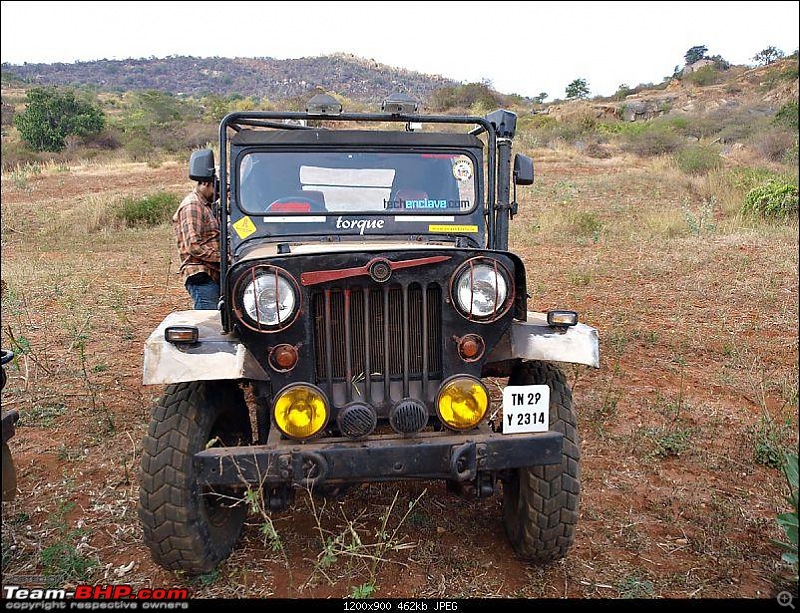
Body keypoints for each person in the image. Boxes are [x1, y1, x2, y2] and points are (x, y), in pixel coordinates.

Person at [172, 179, 220, 310]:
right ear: (205, 183)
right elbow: (193, 246)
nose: (220, 193)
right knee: (209, 318)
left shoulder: (208, 206)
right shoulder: (193, 205)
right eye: (218, 188)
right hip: (201, 274)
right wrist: (224, 257)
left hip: (212, 272)